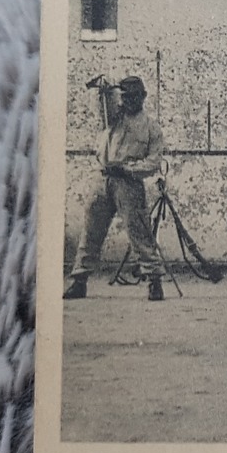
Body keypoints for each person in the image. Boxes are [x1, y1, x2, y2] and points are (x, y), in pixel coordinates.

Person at [63, 76, 169, 301]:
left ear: (143, 97)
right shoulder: (112, 118)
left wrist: (129, 169)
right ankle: (79, 281)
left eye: (133, 96)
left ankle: (154, 282)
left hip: (129, 184)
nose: (128, 101)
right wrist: (104, 90)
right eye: (125, 97)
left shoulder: (151, 127)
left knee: (140, 231)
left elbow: (153, 162)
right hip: (102, 181)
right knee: (91, 231)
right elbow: (102, 106)